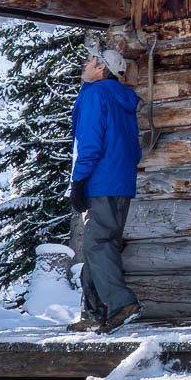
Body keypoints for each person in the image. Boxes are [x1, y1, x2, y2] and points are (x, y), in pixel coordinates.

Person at [70, 47, 143, 334]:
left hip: (101, 180)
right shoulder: (123, 100)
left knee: (97, 244)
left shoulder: (95, 94)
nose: (86, 64)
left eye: (90, 60)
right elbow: (134, 149)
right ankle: (93, 312)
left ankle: (121, 304)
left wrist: (79, 180)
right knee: (101, 244)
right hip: (121, 183)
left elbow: (89, 142)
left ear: (101, 68)